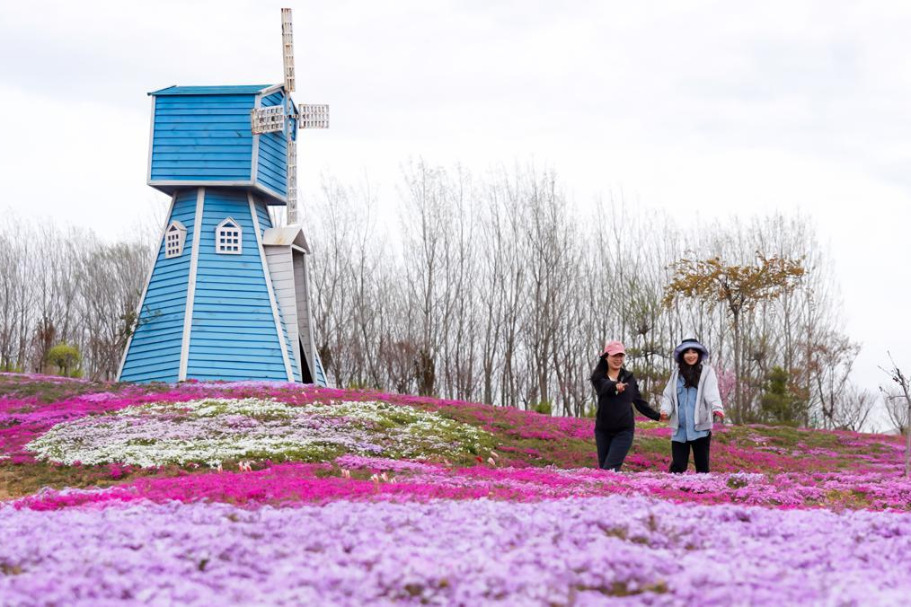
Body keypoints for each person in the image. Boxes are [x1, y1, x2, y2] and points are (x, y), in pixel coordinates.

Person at [590, 340, 661, 471]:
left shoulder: (629, 378)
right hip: (603, 430)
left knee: (610, 469)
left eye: (620, 356)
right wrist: (615, 386)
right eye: (614, 356)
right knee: (604, 470)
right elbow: (604, 386)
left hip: (624, 430)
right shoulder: (598, 377)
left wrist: (657, 416)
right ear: (606, 357)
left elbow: (639, 402)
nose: (618, 359)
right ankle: (609, 491)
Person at [659, 336, 725, 473]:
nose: (691, 355)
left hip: (700, 428)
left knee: (702, 466)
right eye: (687, 352)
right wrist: (665, 410)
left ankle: (702, 492)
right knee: (678, 466)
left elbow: (711, 392)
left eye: (694, 352)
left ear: (699, 354)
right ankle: (673, 491)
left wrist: (717, 407)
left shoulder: (707, 372)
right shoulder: (676, 374)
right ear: (682, 355)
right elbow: (668, 396)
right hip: (680, 428)